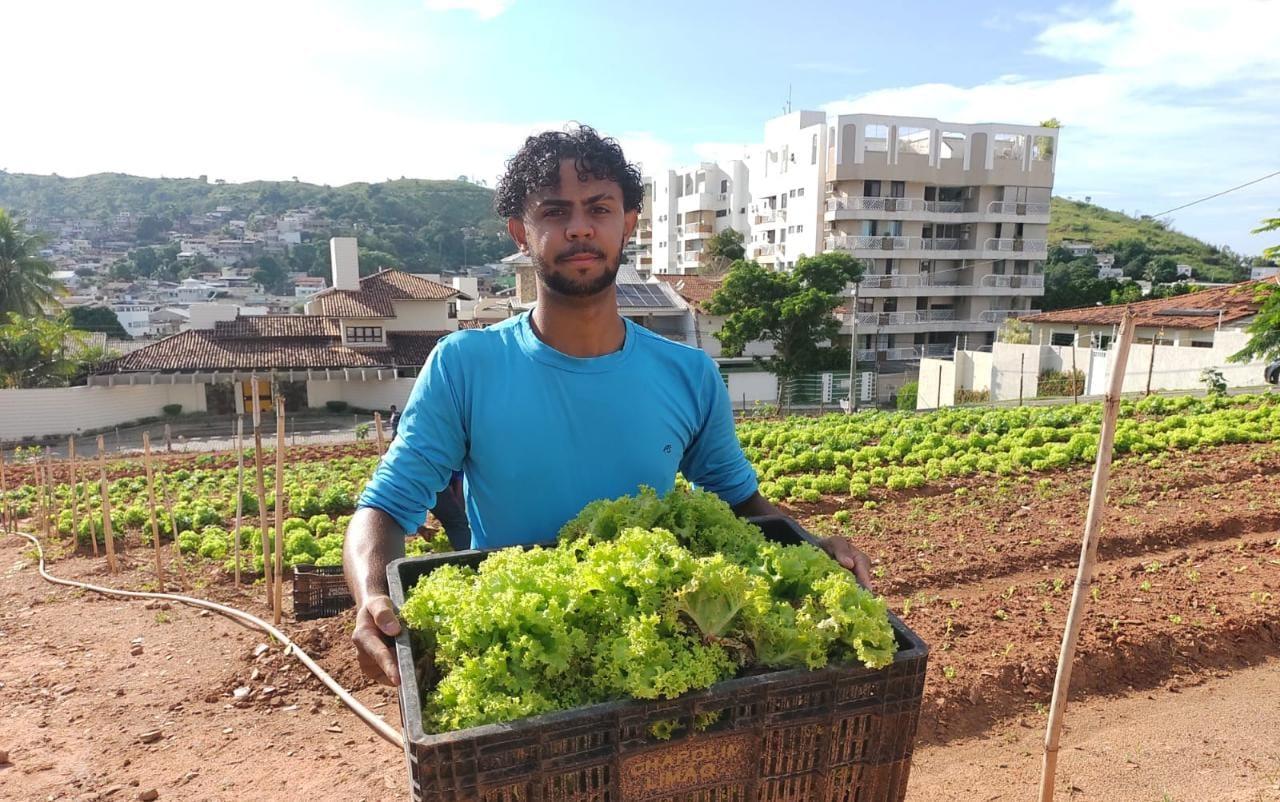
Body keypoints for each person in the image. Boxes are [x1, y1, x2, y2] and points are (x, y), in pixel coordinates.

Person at [344, 125, 873, 687]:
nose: (579, 227)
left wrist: (813, 549)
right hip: (525, 673)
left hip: (652, 663)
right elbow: (385, 506)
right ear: (521, 232)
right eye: (554, 212)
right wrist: (372, 595)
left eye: (599, 207)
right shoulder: (465, 364)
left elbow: (742, 504)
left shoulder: (690, 374)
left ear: (629, 224)